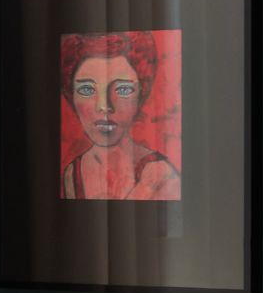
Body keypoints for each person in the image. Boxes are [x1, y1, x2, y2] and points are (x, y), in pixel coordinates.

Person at [60, 32, 180, 201]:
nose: (104, 106)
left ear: (141, 95)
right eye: (87, 90)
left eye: (123, 89)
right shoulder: (72, 173)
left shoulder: (161, 177)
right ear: (71, 95)